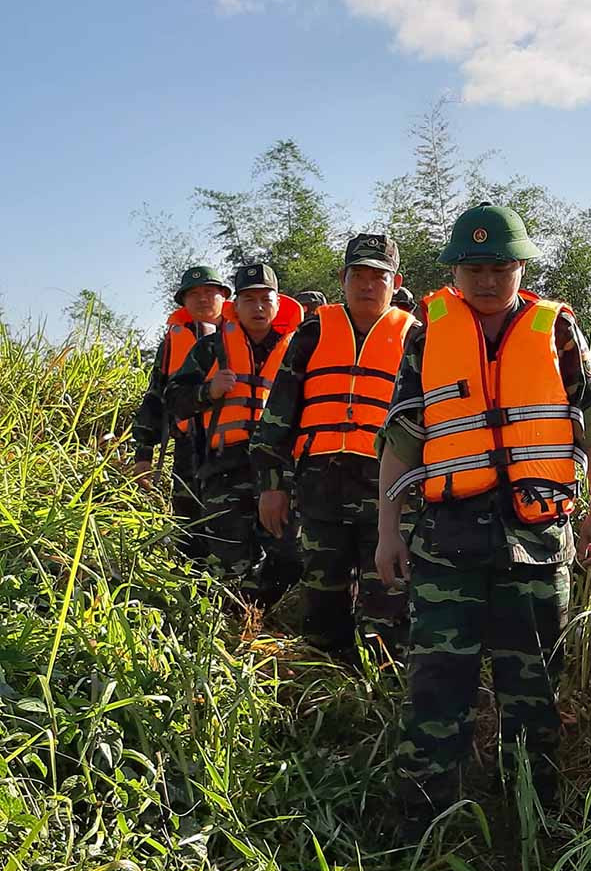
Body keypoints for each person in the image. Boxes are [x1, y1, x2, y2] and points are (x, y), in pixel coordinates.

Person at [375, 202, 591, 822]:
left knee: (533, 692)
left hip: (536, 545)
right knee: (434, 688)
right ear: (455, 270)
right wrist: (386, 532)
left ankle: (532, 823)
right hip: (445, 545)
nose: (487, 280)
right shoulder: (426, 335)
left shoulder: (556, 330)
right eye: (474, 267)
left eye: (500, 267)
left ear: (521, 268)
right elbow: (400, 441)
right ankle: (422, 827)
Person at [251, 234, 414, 660]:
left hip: (389, 491)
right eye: (357, 274)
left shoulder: (417, 338)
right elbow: (279, 413)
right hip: (321, 487)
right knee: (323, 599)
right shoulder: (313, 332)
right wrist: (273, 484)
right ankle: (324, 692)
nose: (366, 284)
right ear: (342, 278)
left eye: (378, 276)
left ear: (395, 283)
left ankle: (379, 696)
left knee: (387, 602)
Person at [165, 263, 304, 606]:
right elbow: (174, 401)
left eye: (265, 300)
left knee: (288, 553)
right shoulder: (211, 349)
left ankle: (266, 619)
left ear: (277, 303)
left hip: (280, 470)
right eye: (249, 299)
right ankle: (229, 627)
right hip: (225, 469)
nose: (258, 308)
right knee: (228, 560)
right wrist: (208, 391)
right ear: (235, 305)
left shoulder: (299, 350)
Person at [132, 265, 232, 557]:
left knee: (232, 525)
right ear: (184, 302)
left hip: (234, 446)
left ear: (224, 296)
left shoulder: (247, 335)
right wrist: (143, 455)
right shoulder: (173, 342)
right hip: (188, 448)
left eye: (209, 292)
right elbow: (155, 397)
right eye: (194, 294)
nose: (202, 299)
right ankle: (194, 592)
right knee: (189, 528)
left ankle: (240, 596)